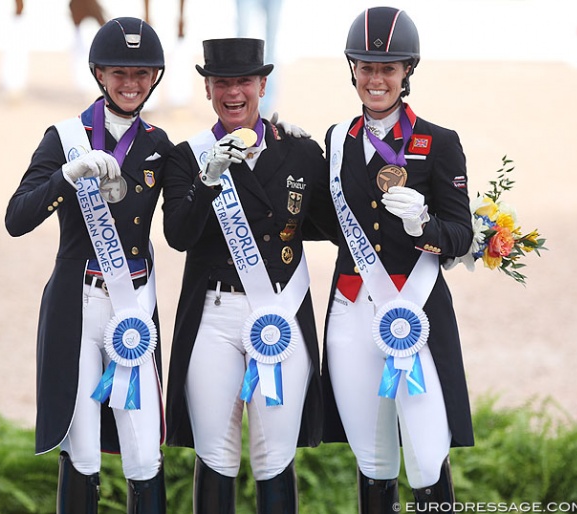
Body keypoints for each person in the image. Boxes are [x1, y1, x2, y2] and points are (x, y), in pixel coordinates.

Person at [5, 17, 172, 514]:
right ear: (100, 73)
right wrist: (65, 176)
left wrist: (274, 139)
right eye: (120, 72)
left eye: (142, 74)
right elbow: (17, 217)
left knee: (144, 454)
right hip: (78, 305)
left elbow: (193, 217)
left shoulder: (160, 144)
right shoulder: (64, 137)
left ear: (155, 78)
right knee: (81, 451)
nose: (130, 83)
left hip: (133, 311)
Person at [162, 38, 334, 513]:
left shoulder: (298, 152)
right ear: (208, 89)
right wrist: (208, 179)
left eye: (244, 82)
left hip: (278, 312)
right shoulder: (187, 156)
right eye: (222, 83)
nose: (233, 93)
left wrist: (323, 155)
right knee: (215, 454)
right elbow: (178, 234)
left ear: (263, 84)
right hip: (214, 316)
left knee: (273, 456)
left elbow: (333, 226)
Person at [320, 7, 474, 512]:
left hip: (415, 312)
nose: (376, 78)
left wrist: (422, 227)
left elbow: (459, 234)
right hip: (351, 309)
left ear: (407, 70)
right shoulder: (336, 139)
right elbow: (325, 219)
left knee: (428, 457)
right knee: (374, 458)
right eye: (366, 67)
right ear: (353, 70)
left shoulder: (439, 142)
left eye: (387, 68)